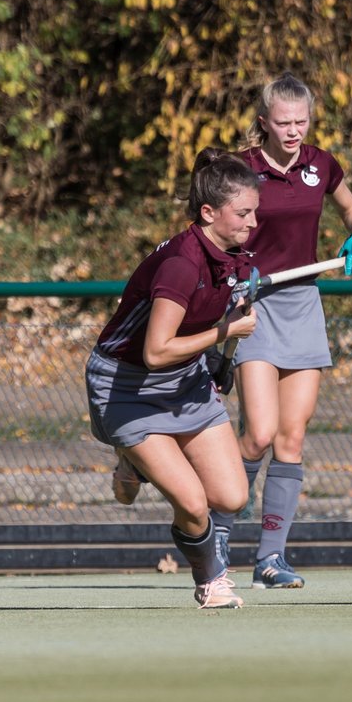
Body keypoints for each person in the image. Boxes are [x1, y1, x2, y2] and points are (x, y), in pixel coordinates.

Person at [86, 147, 260, 609]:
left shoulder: (236, 254)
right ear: (208, 212)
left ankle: (134, 462)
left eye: (254, 213)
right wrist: (225, 330)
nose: (252, 223)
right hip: (127, 387)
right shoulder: (182, 264)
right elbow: (156, 350)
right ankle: (210, 580)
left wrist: (224, 349)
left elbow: (218, 318)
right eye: (243, 213)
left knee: (231, 495)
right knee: (193, 503)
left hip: (185, 381)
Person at [228, 72, 352, 589]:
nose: (293, 131)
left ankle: (270, 559)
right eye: (283, 123)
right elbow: (212, 225)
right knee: (259, 435)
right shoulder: (242, 168)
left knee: (291, 438)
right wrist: (233, 263)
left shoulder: (321, 164)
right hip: (255, 306)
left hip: (303, 304)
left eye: (301, 122)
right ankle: (216, 540)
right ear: (264, 122)